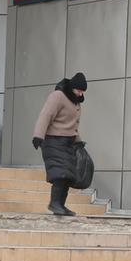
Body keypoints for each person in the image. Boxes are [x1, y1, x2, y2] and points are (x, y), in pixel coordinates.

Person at [32, 73, 87, 217]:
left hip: (68, 143)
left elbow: (72, 125)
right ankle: (54, 203)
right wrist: (38, 136)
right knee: (60, 174)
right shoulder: (58, 96)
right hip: (53, 140)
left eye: (83, 91)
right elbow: (45, 115)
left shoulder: (76, 102)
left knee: (69, 175)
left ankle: (60, 205)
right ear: (72, 87)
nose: (80, 93)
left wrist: (79, 141)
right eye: (79, 90)